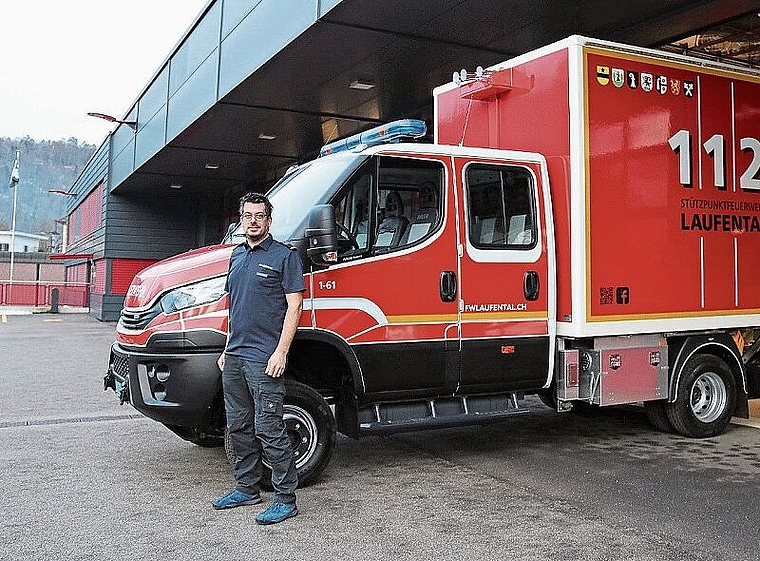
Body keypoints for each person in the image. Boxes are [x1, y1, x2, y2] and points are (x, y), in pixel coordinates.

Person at [212, 192, 305, 525]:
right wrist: (226, 348)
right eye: (247, 215)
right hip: (235, 356)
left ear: (269, 220)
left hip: (265, 359)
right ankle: (247, 488)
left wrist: (281, 351)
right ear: (241, 219)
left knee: (269, 429)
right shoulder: (236, 256)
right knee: (238, 426)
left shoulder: (284, 257)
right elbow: (233, 308)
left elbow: (295, 306)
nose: (253, 220)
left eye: (259, 215)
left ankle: (285, 498)